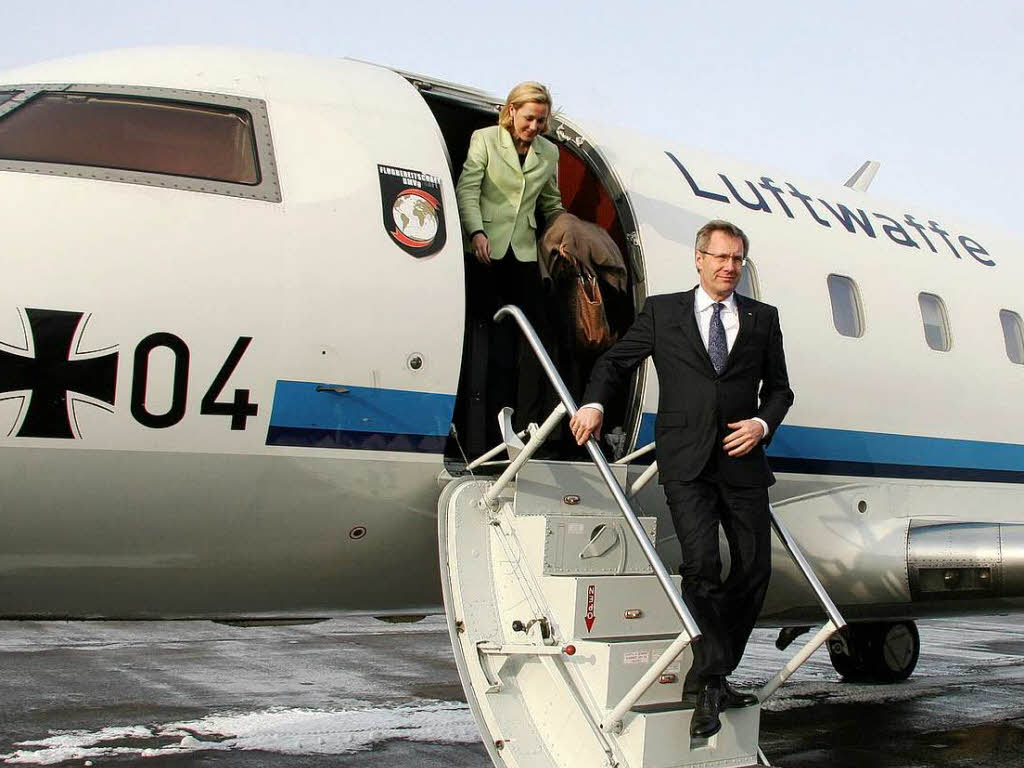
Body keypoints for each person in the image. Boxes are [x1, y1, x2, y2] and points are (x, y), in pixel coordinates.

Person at [569, 220, 794, 738]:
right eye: (720, 257)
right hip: (686, 461)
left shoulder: (762, 319)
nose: (728, 267)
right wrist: (595, 402)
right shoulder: (664, 312)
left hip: (742, 460)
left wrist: (762, 423)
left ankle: (713, 670)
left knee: (756, 567)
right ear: (698, 258)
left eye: (737, 259)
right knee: (703, 566)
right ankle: (712, 680)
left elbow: (780, 389)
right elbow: (616, 361)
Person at [455, 81, 564, 449]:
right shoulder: (485, 139)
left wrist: (568, 233)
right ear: (512, 110)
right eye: (529, 118)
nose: (534, 127)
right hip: (486, 250)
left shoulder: (548, 153)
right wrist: (476, 232)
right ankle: (480, 429)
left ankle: (529, 422)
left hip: (523, 254)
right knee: (491, 340)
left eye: (541, 121)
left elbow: (551, 203)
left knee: (537, 339)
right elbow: (468, 189)